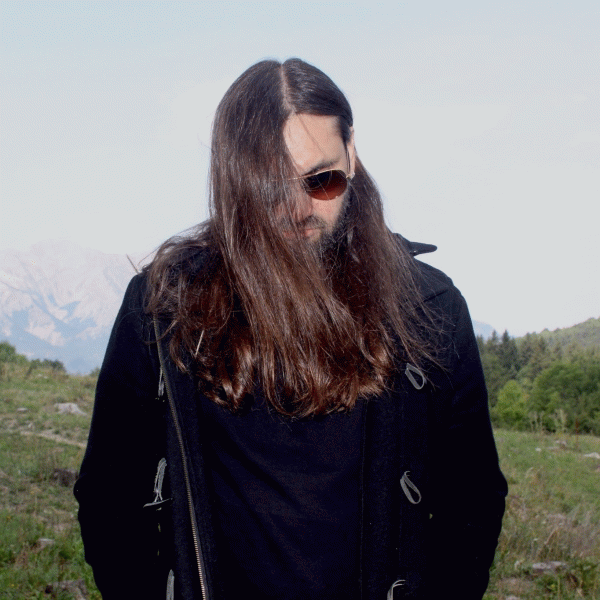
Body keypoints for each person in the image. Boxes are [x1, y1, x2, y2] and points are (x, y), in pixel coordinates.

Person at [74, 58, 507, 600]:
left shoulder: (428, 308)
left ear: (352, 152)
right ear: (234, 178)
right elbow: (110, 497)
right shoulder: (167, 306)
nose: (299, 209)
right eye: (271, 187)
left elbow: (473, 500)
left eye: (322, 180)